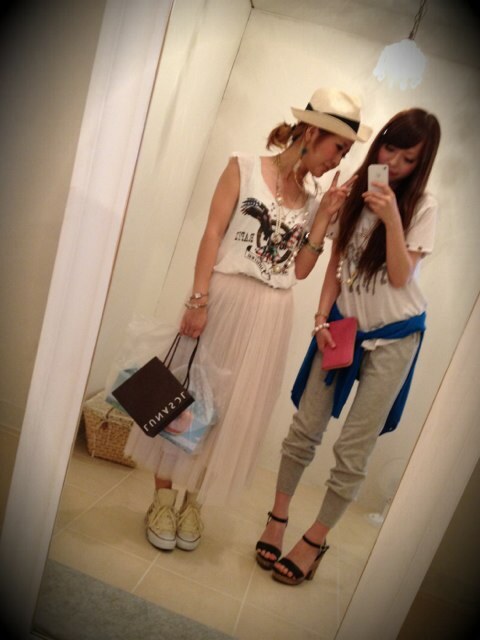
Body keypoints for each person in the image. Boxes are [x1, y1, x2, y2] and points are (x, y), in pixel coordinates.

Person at [124, 88, 372, 552]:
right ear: (312, 133)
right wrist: (198, 299)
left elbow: (300, 270)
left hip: (270, 315)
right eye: (338, 147)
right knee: (182, 395)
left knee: (229, 412)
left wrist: (323, 218)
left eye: (345, 152)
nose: (338, 158)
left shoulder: (315, 197)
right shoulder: (243, 166)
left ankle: (192, 502)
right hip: (224, 299)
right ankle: (162, 500)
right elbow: (212, 233)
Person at [255, 107, 441, 585]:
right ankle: (277, 518)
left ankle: (314, 540)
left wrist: (393, 220)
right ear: (379, 144)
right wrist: (320, 317)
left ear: (421, 163)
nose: (393, 163)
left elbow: (399, 277)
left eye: (407, 158)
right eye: (389, 148)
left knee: (353, 449)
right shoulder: (353, 190)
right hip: (342, 325)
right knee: (305, 427)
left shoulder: (423, 207)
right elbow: (337, 262)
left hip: (396, 336)